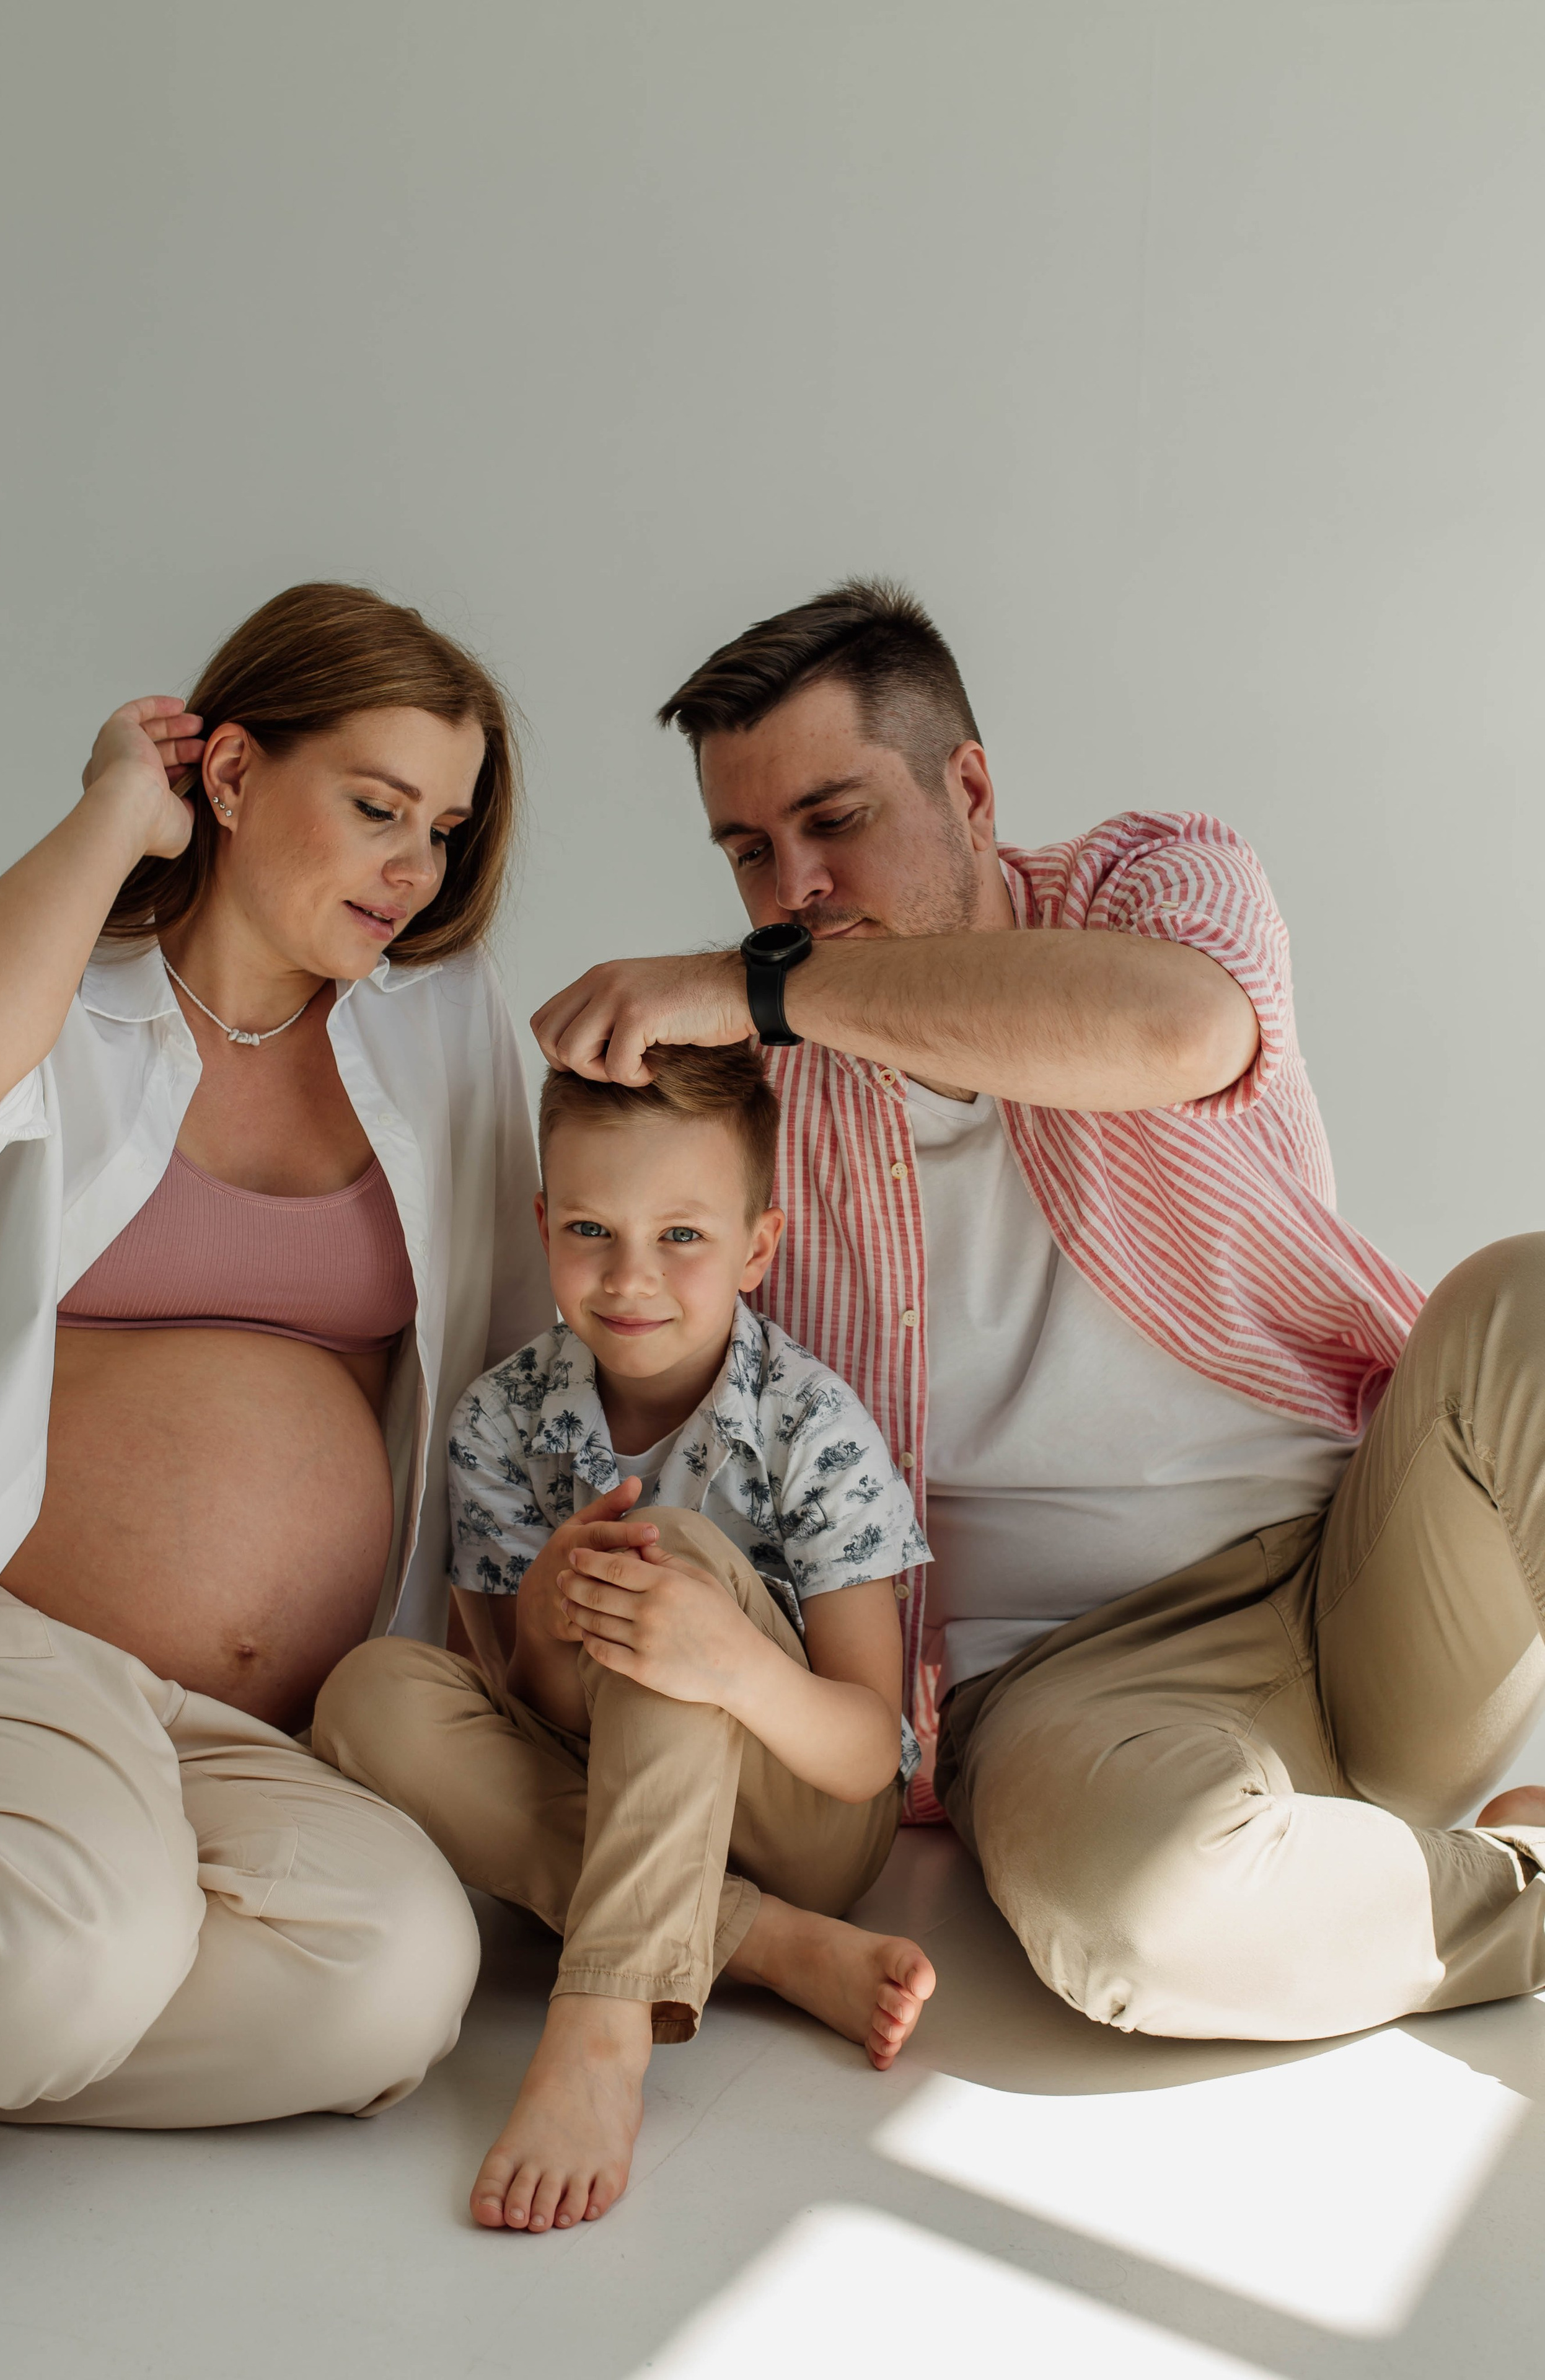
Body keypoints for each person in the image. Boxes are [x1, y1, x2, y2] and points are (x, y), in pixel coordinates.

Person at [529, 575, 1545, 2046]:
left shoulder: (1154, 884)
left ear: (971, 787)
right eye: (747, 852)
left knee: (1525, 1296)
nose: (792, 889)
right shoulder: (748, 1105)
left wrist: (754, 988)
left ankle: (1376, 1855)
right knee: (1137, 1923)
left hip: (1373, 1563)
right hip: (1070, 1679)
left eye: (836, 819)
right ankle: (1503, 1876)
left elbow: (1177, 1032)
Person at [0, 581, 548, 2126]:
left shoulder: (435, 1019)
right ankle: (56, 1967)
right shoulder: (69, 996)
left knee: (397, 1975)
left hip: (263, 1722)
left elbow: (517, 1337)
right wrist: (106, 817)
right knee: (75, 1948)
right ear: (227, 777)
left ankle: (49, 1980)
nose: (414, 868)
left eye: (442, 828)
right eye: (375, 808)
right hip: (18, 1643)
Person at [314, 1043, 935, 2231]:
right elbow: (532, 1716)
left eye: (684, 1237)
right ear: (544, 1223)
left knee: (677, 1556)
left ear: (759, 1244)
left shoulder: (815, 1426)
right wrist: (548, 1618)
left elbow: (869, 1754)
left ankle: (603, 2026)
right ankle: (767, 1950)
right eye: (591, 1230)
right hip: (611, 1797)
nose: (629, 1277)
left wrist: (735, 1665)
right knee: (366, 1695)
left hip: (799, 1811)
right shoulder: (501, 1419)